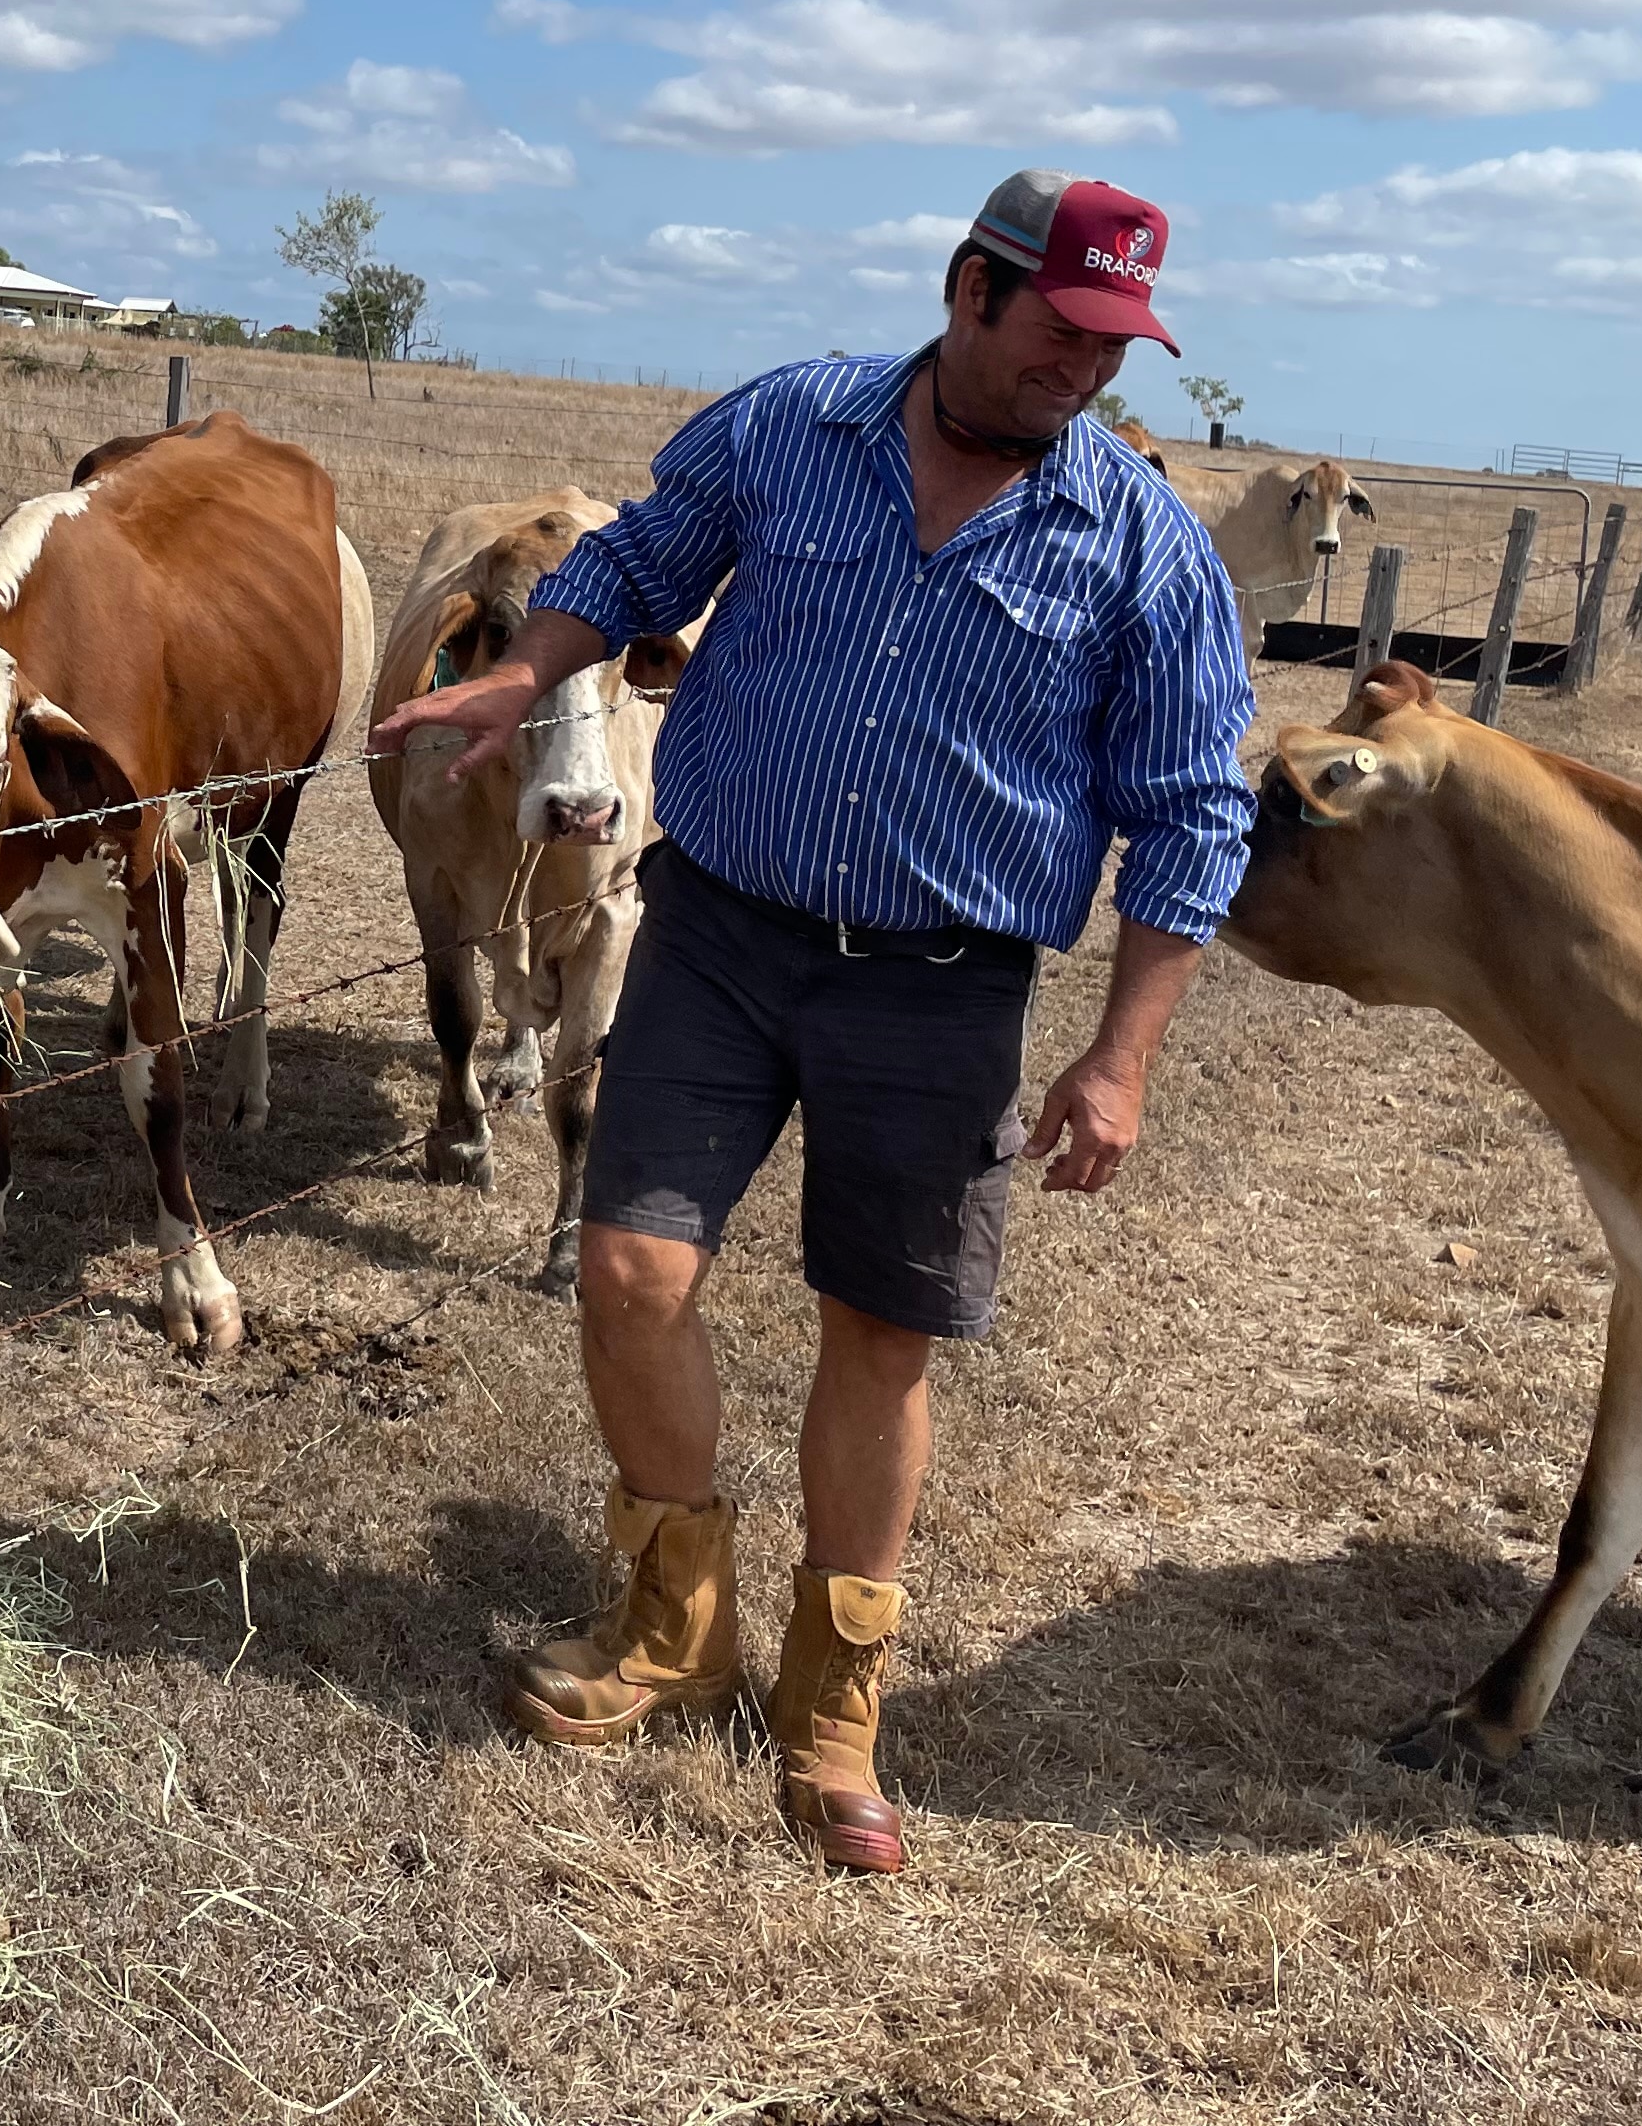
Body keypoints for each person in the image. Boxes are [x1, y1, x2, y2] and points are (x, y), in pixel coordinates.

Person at [369, 168, 1254, 1873]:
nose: (1085, 373)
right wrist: (518, 675)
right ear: (969, 290)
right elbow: (637, 560)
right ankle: (670, 1620)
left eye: (1116, 349)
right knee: (631, 1273)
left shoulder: (1142, 548)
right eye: (1062, 332)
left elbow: (1192, 812)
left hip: (940, 990)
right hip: (715, 936)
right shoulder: (792, 425)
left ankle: (835, 1698)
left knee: (879, 1334)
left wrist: (1121, 1053)